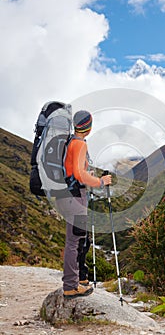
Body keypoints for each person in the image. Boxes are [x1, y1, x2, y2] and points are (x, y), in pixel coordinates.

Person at [56, 110, 112, 299]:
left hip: (65, 196)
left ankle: (79, 278)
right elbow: (79, 174)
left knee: (77, 238)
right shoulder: (79, 144)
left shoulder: (69, 142)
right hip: (75, 197)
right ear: (88, 127)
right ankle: (71, 286)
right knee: (74, 241)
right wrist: (101, 182)